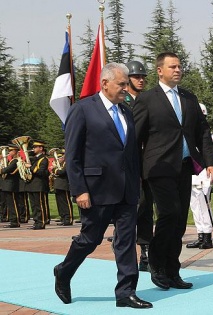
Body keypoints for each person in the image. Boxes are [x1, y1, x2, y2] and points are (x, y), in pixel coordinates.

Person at [53, 62, 152, 308]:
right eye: (121, 83)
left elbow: (130, 152)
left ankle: (126, 292)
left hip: (127, 190)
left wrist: (137, 181)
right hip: (96, 190)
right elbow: (73, 154)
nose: (125, 88)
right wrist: (80, 189)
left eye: (127, 83)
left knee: (126, 241)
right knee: (90, 239)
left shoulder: (127, 112)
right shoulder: (83, 110)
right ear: (105, 83)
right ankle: (64, 272)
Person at [134, 52, 213, 290]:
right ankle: (156, 266)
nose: (178, 70)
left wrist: (210, 161)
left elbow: (202, 131)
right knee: (169, 214)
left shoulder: (189, 98)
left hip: (183, 166)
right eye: (173, 67)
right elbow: (135, 138)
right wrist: (136, 170)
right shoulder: (147, 99)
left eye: (180, 66)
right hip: (157, 168)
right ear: (160, 70)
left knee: (179, 220)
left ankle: (172, 270)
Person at [122, 60, 153, 272]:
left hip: (144, 161)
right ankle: (123, 247)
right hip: (124, 162)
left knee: (145, 207)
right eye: (136, 77)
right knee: (124, 209)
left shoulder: (150, 100)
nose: (140, 80)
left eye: (143, 77)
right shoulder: (120, 102)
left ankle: (145, 251)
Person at [186, 103, 213, 250]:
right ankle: (200, 233)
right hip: (195, 175)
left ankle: (207, 236)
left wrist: (209, 176)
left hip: (204, 175)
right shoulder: (192, 136)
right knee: (195, 203)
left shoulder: (210, 137)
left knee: (203, 203)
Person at [25, 140, 50, 230]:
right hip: (31, 184)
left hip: (39, 184)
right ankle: (36, 221)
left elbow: (41, 172)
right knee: (34, 206)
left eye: (35, 147)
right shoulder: (34, 158)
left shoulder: (44, 159)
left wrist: (30, 167)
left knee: (39, 205)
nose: (34, 149)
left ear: (41, 148)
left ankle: (41, 222)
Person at [52, 150, 74, 226]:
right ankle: (63, 217)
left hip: (64, 185)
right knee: (60, 204)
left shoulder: (66, 164)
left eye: (60, 157)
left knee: (66, 203)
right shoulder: (60, 165)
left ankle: (68, 219)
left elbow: (62, 172)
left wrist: (54, 169)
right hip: (58, 185)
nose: (58, 159)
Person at [1, 145, 21, 228]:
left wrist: (1, 170)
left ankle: (15, 221)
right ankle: (13, 220)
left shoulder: (16, 161)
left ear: (15, 151)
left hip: (11, 185)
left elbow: (8, 169)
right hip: (8, 185)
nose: (9, 153)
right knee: (10, 204)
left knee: (13, 204)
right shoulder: (12, 160)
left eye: (11, 151)